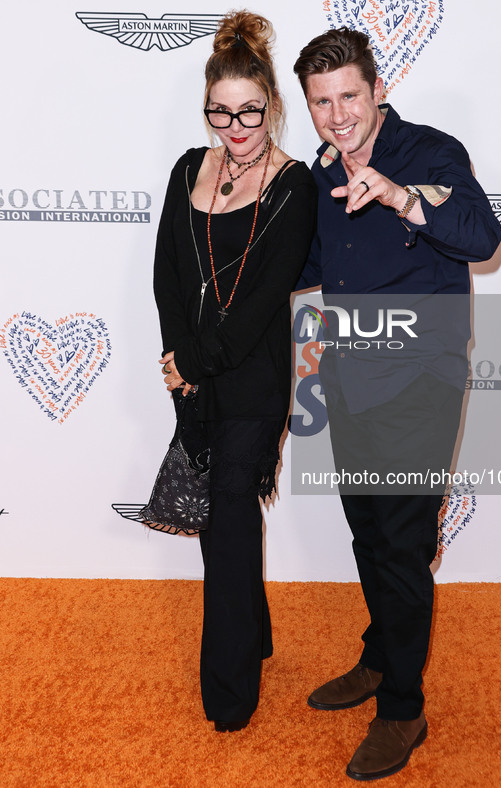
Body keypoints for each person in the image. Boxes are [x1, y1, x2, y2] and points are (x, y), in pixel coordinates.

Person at [293, 27, 501, 780]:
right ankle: (380, 658)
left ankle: (403, 709)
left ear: (376, 88)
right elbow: (308, 259)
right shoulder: (319, 173)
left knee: (404, 544)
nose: (337, 113)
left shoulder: (430, 151)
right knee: (367, 531)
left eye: (349, 94)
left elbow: (482, 238)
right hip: (349, 372)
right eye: (321, 101)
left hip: (421, 379)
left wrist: (404, 198)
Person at [153, 10, 316, 733]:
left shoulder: (293, 188)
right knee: (233, 520)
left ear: (272, 104)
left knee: (224, 517)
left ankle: (229, 694)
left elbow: (256, 309)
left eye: (249, 110)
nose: (236, 126)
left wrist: (195, 359)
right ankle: (257, 633)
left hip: (251, 384)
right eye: (221, 112)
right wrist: (178, 362)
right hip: (193, 379)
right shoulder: (189, 167)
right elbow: (167, 276)